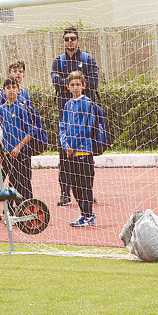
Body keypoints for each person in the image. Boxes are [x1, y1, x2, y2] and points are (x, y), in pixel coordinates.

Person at [51, 27, 99, 206]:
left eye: (73, 38)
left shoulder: (88, 59)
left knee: (87, 156)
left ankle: (88, 192)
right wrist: (71, 84)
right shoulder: (58, 61)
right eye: (66, 39)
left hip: (85, 114)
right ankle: (65, 193)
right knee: (65, 155)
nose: (70, 42)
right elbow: (56, 83)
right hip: (66, 112)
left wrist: (71, 83)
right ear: (63, 41)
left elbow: (93, 83)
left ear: (78, 41)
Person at [0, 76, 35, 220]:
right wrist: (0, 153)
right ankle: (11, 210)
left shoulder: (23, 107)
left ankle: (29, 208)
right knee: (10, 181)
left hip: (22, 152)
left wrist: (18, 147)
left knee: (24, 181)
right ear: (3, 91)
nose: (11, 90)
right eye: (8, 88)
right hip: (6, 153)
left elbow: (30, 132)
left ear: (19, 90)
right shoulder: (0, 110)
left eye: (14, 87)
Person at [58, 71, 97, 227]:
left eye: (78, 85)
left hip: (83, 151)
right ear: (68, 87)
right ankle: (83, 213)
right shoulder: (68, 105)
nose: (75, 88)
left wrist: (73, 145)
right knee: (74, 185)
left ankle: (89, 214)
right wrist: (65, 144)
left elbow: (87, 127)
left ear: (83, 86)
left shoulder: (87, 103)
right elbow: (63, 126)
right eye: (72, 85)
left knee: (84, 184)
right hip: (70, 152)